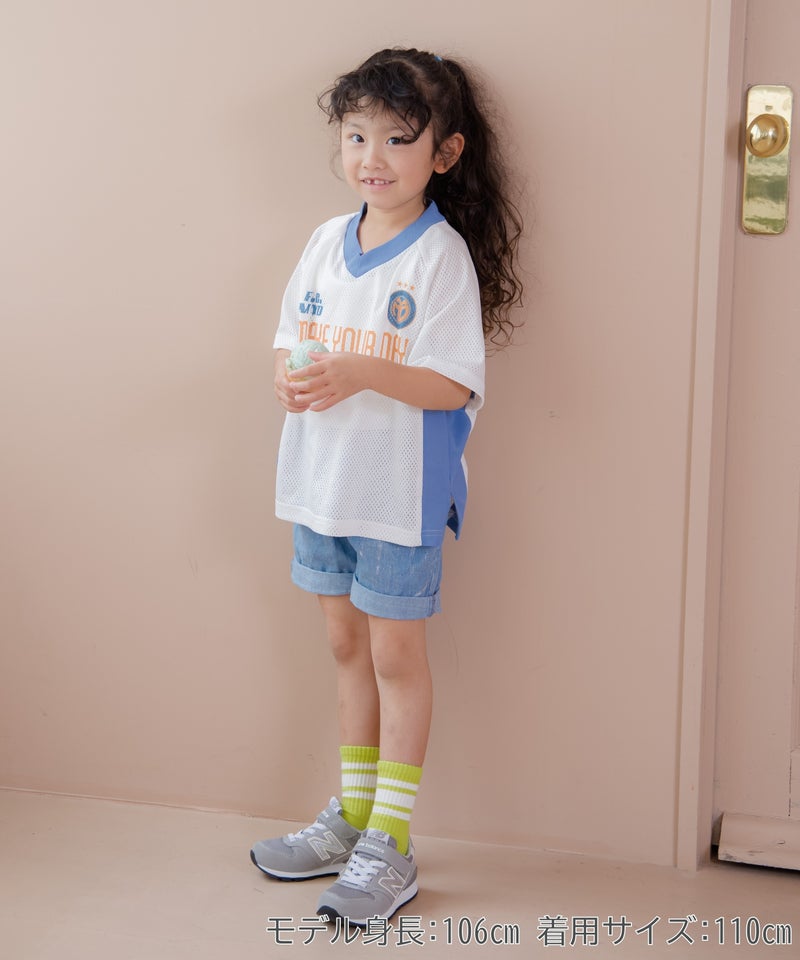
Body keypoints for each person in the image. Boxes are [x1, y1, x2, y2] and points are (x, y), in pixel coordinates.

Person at [250, 46, 523, 926]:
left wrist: (361, 370)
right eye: (357, 135)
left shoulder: (439, 258)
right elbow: (290, 339)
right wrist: (289, 376)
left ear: (444, 152)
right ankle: (353, 817)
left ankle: (391, 843)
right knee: (343, 648)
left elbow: (452, 384)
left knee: (396, 658)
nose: (373, 157)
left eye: (398, 139)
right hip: (322, 486)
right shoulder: (324, 243)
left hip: (400, 494)